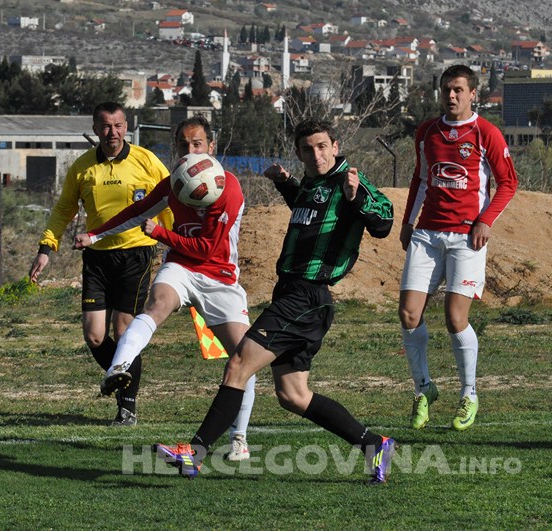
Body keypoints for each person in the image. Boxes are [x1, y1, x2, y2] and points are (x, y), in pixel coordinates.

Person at [153, 118, 398, 484]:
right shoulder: (314, 185)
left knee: (238, 365)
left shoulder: (350, 182)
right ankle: (373, 444)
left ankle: (195, 452)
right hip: (294, 295)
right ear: (299, 153)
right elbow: (308, 210)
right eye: (307, 149)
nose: (315, 155)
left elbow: (384, 222)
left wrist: (357, 196)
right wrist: (285, 183)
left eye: (321, 146)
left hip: (307, 295)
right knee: (293, 395)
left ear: (335, 145)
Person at [75, 116, 257, 461]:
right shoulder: (176, 182)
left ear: (211, 148)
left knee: (244, 355)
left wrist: (159, 233)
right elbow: (139, 209)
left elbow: (209, 250)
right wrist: (95, 235)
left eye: (197, 144)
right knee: (156, 305)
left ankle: (239, 438)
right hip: (181, 267)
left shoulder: (228, 187)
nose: (190, 151)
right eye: (184, 146)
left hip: (219, 276)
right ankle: (119, 367)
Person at [29, 101, 172, 427]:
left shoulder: (147, 161)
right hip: (97, 259)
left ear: (127, 127)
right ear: (95, 129)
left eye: (119, 125)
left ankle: (127, 406)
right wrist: (45, 248)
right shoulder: (82, 168)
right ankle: (118, 376)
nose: (113, 132)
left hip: (136, 254)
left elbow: (170, 201)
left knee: (124, 331)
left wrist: (176, 242)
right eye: (106, 126)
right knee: (95, 336)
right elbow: (63, 210)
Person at [399, 65, 518, 431]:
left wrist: (486, 220)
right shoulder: (427, 132)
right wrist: (408, 221)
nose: (451, 96)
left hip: (467, 238)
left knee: (455, 319)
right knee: (408, 314)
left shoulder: (486, 133)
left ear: (472, 94)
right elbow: (420, 178)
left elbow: (508, 183)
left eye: (458, 90)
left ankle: (469, 393)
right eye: (446, 90)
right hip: (427, 234)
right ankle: (424, 390)